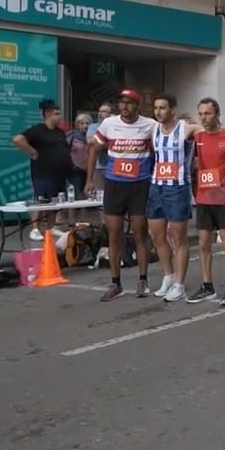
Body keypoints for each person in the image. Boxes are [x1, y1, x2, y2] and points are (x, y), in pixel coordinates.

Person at [86, 89, 158, 302]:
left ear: (138, 106)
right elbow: (94, 150)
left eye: (129, 103)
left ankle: (142, 280)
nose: (124, 107)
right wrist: (89, 179)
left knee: (140, 234)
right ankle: (115, 283)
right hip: (115, 185)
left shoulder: (150, 125)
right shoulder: (108, 124)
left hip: (139, 185)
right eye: (122, 103)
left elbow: (160, 151)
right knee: (114, 234)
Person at [186, 97, 225, 306]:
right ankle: (207, 286)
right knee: (203, 244)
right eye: (201, 114)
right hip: (203, 197)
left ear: (217, 114)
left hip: (224, 198)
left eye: (208, 113)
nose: (204, 117)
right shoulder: (198, 136)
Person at [147, 95, 203, 303]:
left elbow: (207, 129)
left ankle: (180, 283)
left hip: (178, 188)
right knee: (157, 236)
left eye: (163, 107)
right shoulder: (153, 129)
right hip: (157, 187)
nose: (158, 111)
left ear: (172, 110)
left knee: (179, 239)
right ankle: (168, 276)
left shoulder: (185, 128)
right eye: (156, 107)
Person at [12, 99, 73, 240]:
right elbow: (18, 139)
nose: (60, 117)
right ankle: (34, 229)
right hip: (42, 173)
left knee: (55, 201)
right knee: (40, 201)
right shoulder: (37, 130)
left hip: (59, 174)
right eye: (57, 114)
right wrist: (32, 152)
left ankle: (51, 228)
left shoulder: (60, 132)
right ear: (49, 115)